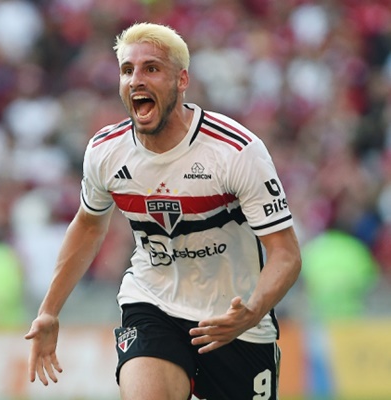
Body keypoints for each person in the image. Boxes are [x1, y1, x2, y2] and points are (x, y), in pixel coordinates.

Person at [25, 22, 302, 400]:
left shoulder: (236, 151)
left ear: (181, 80)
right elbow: (88, 226)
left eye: (151, 68)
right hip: (153, 305)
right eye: (127, 70)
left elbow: (286, 253)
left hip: (235, 323)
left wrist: (252, 311)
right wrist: (49, 311)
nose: (136, 79)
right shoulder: (106, 151)